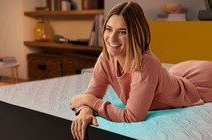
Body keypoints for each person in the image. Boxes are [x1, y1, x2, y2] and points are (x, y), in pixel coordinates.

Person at [69, 1, 212, 140]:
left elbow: (132, 116)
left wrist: (92, 102)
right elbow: (92, 94)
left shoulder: (145, 63)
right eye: (109, 29)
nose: (112, 38)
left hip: (200, 81)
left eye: (122, 32)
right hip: (177, 74)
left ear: (136, 34)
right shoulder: (106, 57)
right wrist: (85, 111)